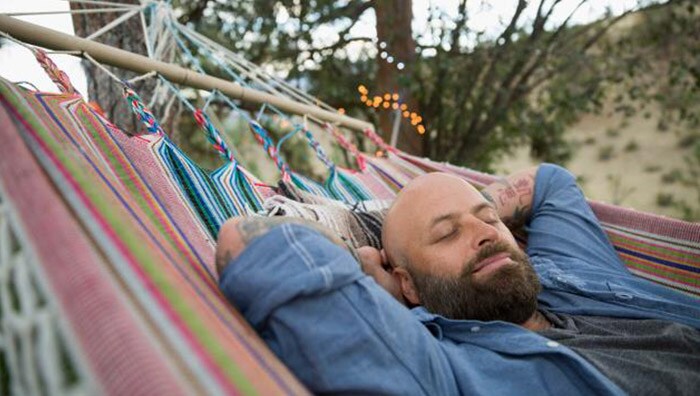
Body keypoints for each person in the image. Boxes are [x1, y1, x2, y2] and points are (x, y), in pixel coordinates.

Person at [216, 164, 700, 395]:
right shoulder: (438, 369)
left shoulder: (567, 274)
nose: (486, 235)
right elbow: (249, 240)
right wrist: (371, 272)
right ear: (406, 283)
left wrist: (451, 205)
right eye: (447, 234)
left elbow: (550, 181)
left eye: (488, 218)